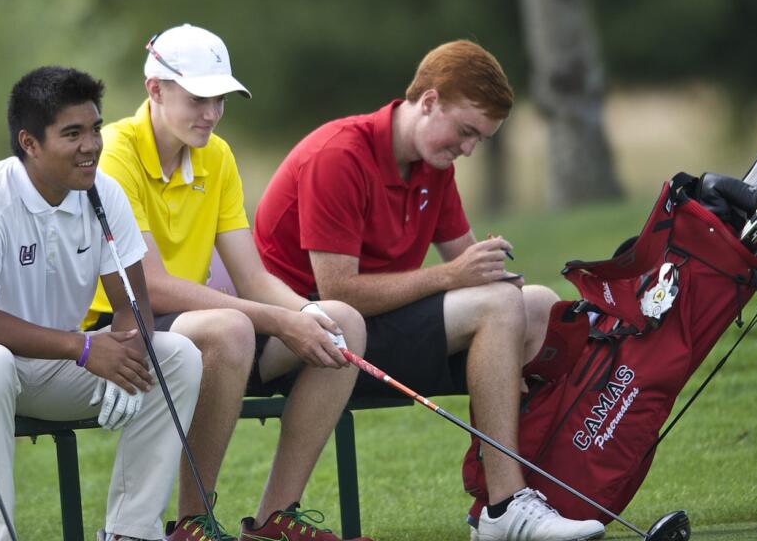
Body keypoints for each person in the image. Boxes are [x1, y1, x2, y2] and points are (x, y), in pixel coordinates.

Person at [252, 41, 606, 541]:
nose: (467, 149)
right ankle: (506, 510)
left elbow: (468, 268)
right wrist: (453, 277)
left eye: (479, 140)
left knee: (538, 306)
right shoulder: (340, 155)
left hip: (375, 329)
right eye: (466, 132)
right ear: (430, 101)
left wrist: (492, 274)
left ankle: (514, 494)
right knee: (501, 307)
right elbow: (338, 292)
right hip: (309, 341)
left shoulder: (432, 166)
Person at [83, 24, 369, 541]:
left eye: (220, 100)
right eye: (198, 98)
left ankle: (276, 518)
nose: (211, 114)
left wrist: (304, 315)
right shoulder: (115, 152)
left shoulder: (217, 155)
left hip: (195, 323)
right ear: (155, 90)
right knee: (232, 328)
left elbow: (252, 276)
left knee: (340, 321)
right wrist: (279, 321)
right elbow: (149, 285)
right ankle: (192, 523)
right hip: (120, 323)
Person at [0, 66, 203, 541]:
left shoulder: (102, 192)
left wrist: (129, 350)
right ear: (29, 143)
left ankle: (131, 532)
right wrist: (83, 348)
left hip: (52, 362)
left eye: (95, 128)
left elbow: (132, 303)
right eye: (72, 134)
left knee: (177, 357)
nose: (91, 145)